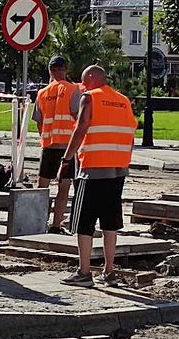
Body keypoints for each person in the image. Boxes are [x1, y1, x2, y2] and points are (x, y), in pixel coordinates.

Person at [59, 65, 137, 287]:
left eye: (84, 81)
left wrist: (66, 159)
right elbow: (131, 135)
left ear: (92, 78)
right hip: (117, 170)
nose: (82, 86)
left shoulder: (90, 98)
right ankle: (109, 271)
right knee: (110, 222)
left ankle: (84, 273)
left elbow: (81, 127)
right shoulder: (123, 100)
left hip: (92, 169)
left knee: (83, 222)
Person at [32, 56, 82, 234]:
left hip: (48, 146)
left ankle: (37, 221)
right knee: (64, 188)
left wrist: (45, 138)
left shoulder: (42, 93)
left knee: (42, 187)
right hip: (67, 148)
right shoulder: (73, 90)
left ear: (50, 71)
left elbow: (38, 122)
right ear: (65, 69)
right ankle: (55, 225)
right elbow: (78, 115)